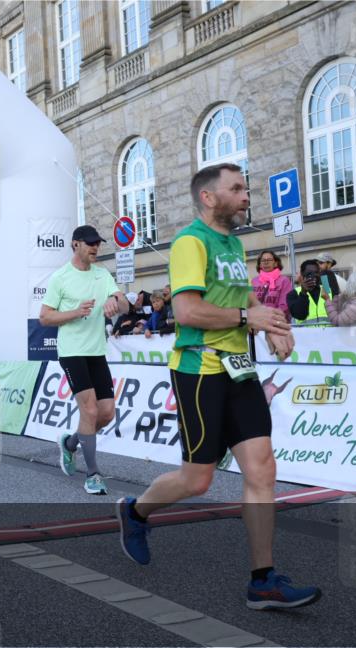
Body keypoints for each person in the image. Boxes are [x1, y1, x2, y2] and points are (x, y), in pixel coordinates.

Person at [116, 163, 321, 610]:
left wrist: (271, 324)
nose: (246, 195)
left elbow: (243, 294)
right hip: (198, 370)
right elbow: (187, 311)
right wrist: (250, 319)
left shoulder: (233, 242)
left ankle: (262, 581)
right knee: (198, 479)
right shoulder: (190, 242)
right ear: (209, 198)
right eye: (237, 188)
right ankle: (135, 511)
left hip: (240, 369)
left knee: (262, 468)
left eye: (245, 187)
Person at [40, 224, 129, 495]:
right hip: (72, 352)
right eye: (89, 243)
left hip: (96, 351)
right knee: (89, 411)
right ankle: (93, 475)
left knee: (107, 414)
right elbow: (45, 317)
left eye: (98, 243)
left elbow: (125, 304)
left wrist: (116, 299)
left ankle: (70, 443)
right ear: (75, 244)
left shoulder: (102, 275)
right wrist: (75, 312)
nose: (95, 248)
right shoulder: (60, 277)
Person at [286, 259, 330, 327]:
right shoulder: (293, 294)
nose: (314, 276)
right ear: (302, 275)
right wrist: (303, 293)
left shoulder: (328, 290)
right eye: (309, 273)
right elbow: (300, 315)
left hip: (329, 335)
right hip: (306, 336)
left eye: (316, 272)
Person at [251, 250, 292, 321]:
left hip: (277, 323)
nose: (266, 262)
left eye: (269, 260)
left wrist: (269, 317)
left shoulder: (284, 281)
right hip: (257, 324)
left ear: (275, 263)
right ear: (260, 264)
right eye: (263, 260)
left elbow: (284, 306)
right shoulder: (253, 281)